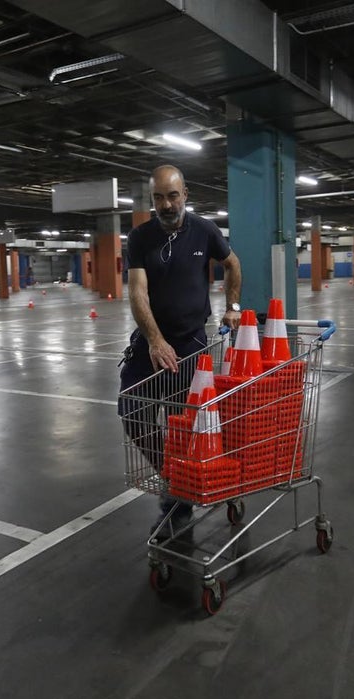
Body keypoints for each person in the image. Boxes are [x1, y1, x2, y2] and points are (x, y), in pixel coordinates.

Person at [118, 164, 242, 538]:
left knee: (179, 422)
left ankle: (180, 500)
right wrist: (155, 340)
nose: (166, 204)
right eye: (158, 197)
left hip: (190, 343)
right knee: (132, 411)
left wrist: (232, 306)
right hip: (150, 341)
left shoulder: (205, 230)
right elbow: (138, 292)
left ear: (185, 194)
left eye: (172, 196)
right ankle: (174, 477)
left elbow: (232, 265)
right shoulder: (140, 237)